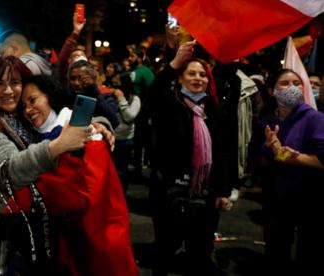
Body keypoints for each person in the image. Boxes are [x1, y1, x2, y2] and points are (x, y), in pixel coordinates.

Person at [0, 56, 90, 275]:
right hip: (7, 226)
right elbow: (8, 170)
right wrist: (57, 147)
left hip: (44, 218)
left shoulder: (25, 111)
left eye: (14, 82)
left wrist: (98, 128)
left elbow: (60, 124)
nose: (8, 90)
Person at [20, 75, 137, 276]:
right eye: (23, 105)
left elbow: (94, 195)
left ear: (50, 97)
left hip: (97, 238)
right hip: (66, 241)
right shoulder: (33, 138)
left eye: (33, 100)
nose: (28, 109)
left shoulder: (85, 132)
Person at [146, 41, 232, 276]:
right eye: (191, 73)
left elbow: (222, 151)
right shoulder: (168, 104)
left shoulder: (213, 109)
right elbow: (151, 96)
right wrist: (174, 63)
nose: (198, 78)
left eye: (202, 74)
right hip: (170, 190)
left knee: (201, 252)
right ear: (180, 78)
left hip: (205, 193)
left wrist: (223, 189)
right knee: (165, 249)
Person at [255, 68, 324, 275]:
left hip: (310, 199)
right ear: (271, 90)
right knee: (276, 253)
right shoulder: (266, 122)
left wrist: (291, 156)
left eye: (297, 83)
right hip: (276, 199)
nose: (292, 88)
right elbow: (261, 165)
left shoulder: (315, 119)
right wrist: (268, 149)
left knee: (309, 255)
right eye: (285, 83)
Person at [110, 72, 141, 191]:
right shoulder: (110, 96)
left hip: (125, 140)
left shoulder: (135, 98)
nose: (115, 87)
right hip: (110, 137)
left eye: (118, 84)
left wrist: (121, 99)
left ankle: (122, 193)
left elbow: (129, 116)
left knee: (122, 171)